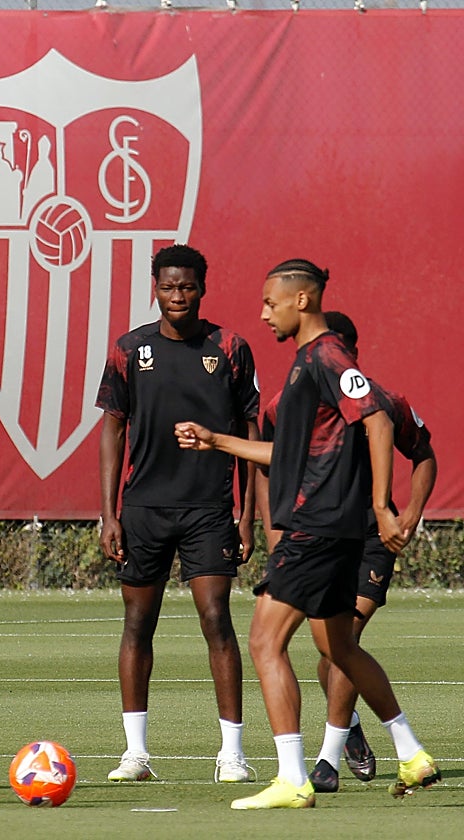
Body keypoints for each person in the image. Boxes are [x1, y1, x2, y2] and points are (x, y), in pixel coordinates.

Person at [176, 258, 440, 810]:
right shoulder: (304, 367)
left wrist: (383, 508)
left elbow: (379, 418)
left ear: (303, 300)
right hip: (329, 530)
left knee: (264, 642)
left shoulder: (326, 355)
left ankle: (293, 777)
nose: (262, 312)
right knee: (337, 644)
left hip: (318, 528)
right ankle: (412, 753)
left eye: (270, 302)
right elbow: (284, 454)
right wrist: (216, 441)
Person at [95, 244, 260, 784]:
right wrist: (109, 513)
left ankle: (231, 754)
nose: (177, 296)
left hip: (210, 509)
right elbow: (113, 430)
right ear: (154, 287)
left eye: (187, 286)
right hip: (143, 508)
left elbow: (250, 435)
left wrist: (247, 516)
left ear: (202, 288)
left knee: (216, 618)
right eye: (168, 286)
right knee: (138, 622)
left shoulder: (230, 348)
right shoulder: (128, 349)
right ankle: (135, 754)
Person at [254, 310, 437, 794]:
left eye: (347, 350)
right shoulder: (285, 403)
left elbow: (423, 453)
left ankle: (325, 762)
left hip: (367, 536)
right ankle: (399, 747)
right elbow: (271, 462)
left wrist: (407, 513)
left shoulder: (381, 400)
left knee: (328, 641)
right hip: (314, 532)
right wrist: (273, 531)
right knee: (333, 647)